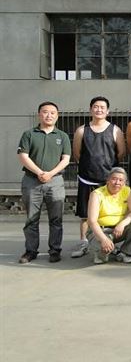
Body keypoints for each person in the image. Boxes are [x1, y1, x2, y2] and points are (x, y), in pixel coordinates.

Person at [70, 96, 126, 258]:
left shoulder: (115, 130)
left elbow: (121, 153)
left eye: (102, 107)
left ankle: (112, 244)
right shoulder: (82, 130)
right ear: (90, 110)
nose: (99, 109)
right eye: (96, 106)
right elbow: (77, 154)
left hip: (108, 182)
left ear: (108, 111)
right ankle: (84, 243)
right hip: (87, 179)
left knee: (111, 214)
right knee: (85, 215)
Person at [17, 101, 71, 264]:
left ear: (57, 116)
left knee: (56, 219)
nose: (49, 115)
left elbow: (66, 159)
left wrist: (50, 174)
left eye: (52, 113)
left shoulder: (62, 136)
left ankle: (55, 250)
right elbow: (23, 156)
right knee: (31, 219)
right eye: (45, 112)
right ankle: (30, 251)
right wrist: (39, 172)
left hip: (55, 182)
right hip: (31, 181)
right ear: (39, 114)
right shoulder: (29, 134)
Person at [86, 167, 131, 264]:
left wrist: (122, 224)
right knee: (101, 258)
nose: (117, 182)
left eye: (121, 180)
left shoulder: (127, 191)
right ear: (108, 180)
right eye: (114, 179)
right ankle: (103, 249)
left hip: (119, 230)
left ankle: (125, 253)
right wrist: (103, 239)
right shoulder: (97, 194)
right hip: (100, 230)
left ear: (124, 182)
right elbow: (92, 221)